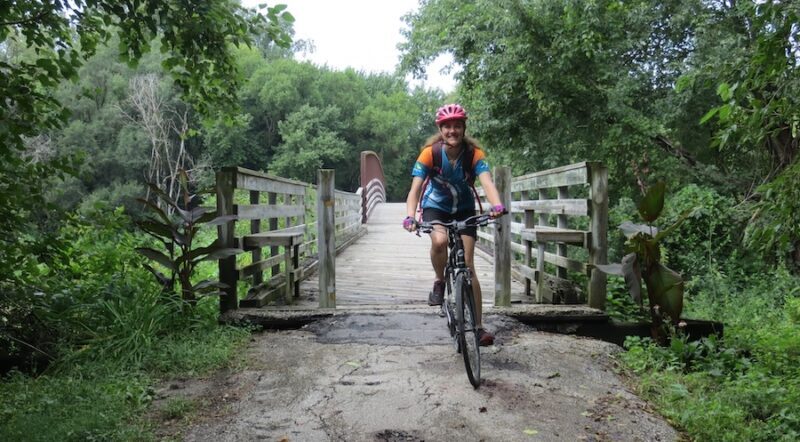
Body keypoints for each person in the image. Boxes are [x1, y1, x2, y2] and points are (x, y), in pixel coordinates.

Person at [403, 103, 505, 346]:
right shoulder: (430, 153)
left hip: (464, 208)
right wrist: (410, 216)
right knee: (439, 241)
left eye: (457, 126)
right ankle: (440, 281)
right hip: (435, 206)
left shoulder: (474, 154)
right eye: (447, 126)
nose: (452, 130)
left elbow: (487, 183)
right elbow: (415, 189)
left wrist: (497, 205)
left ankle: (478, 328)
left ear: (463, 128)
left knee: (468, 266)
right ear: (440, 129)